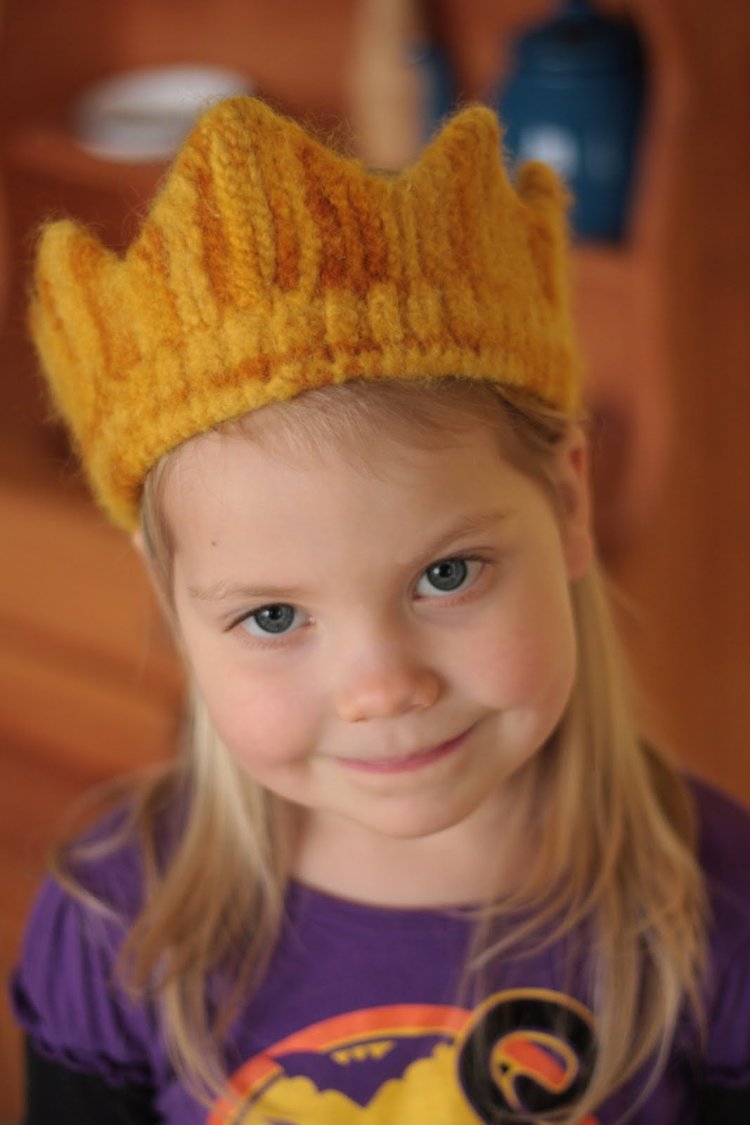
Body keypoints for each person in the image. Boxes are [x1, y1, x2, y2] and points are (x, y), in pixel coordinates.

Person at [9, 96, 750, 1125]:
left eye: (446, 575)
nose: (383, 688)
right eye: (274, 617)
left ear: (570, 500)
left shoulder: (717, 910)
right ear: (168, 599)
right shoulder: (113, 922)